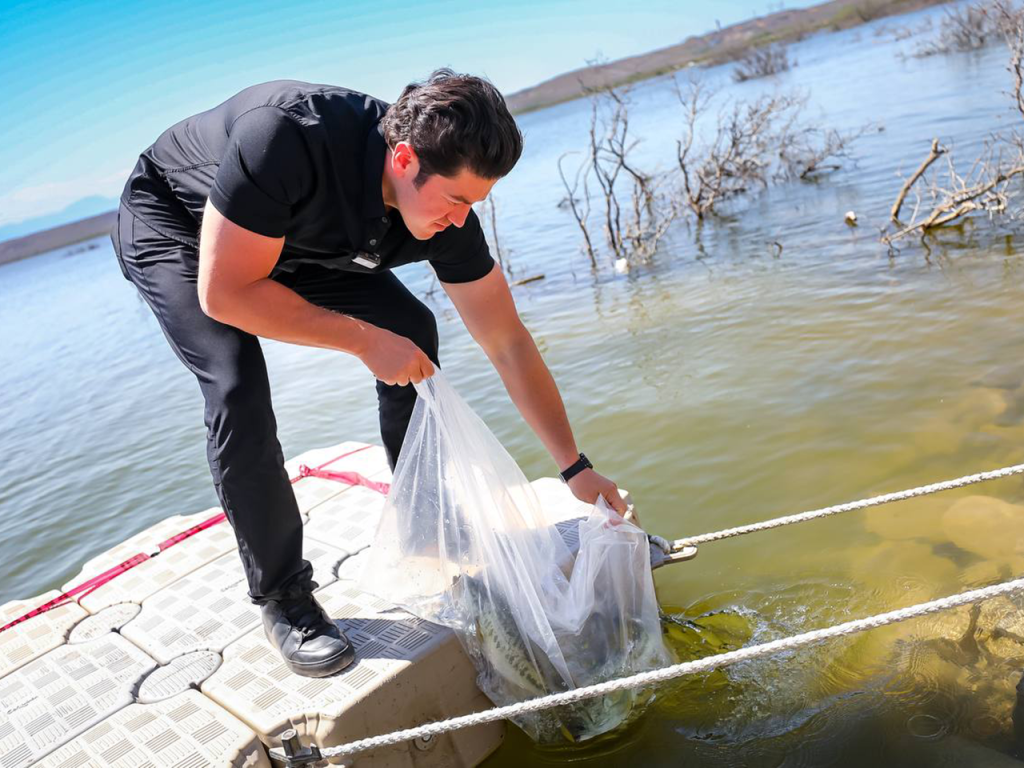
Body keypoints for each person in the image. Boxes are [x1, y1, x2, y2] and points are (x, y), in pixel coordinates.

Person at [111, 69, 627, 678]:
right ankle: (285, 601)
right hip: (181, 225)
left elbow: (507, 341)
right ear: (404, 160)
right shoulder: (285, 138)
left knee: (412, 334)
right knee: (235, 381)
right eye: (456, 201)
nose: (463, 221)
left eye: (475, 204)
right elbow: (226, 295)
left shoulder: (446, 206)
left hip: (294, 237)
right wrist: (360, 340)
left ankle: (426, 518)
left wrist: (574, 466)